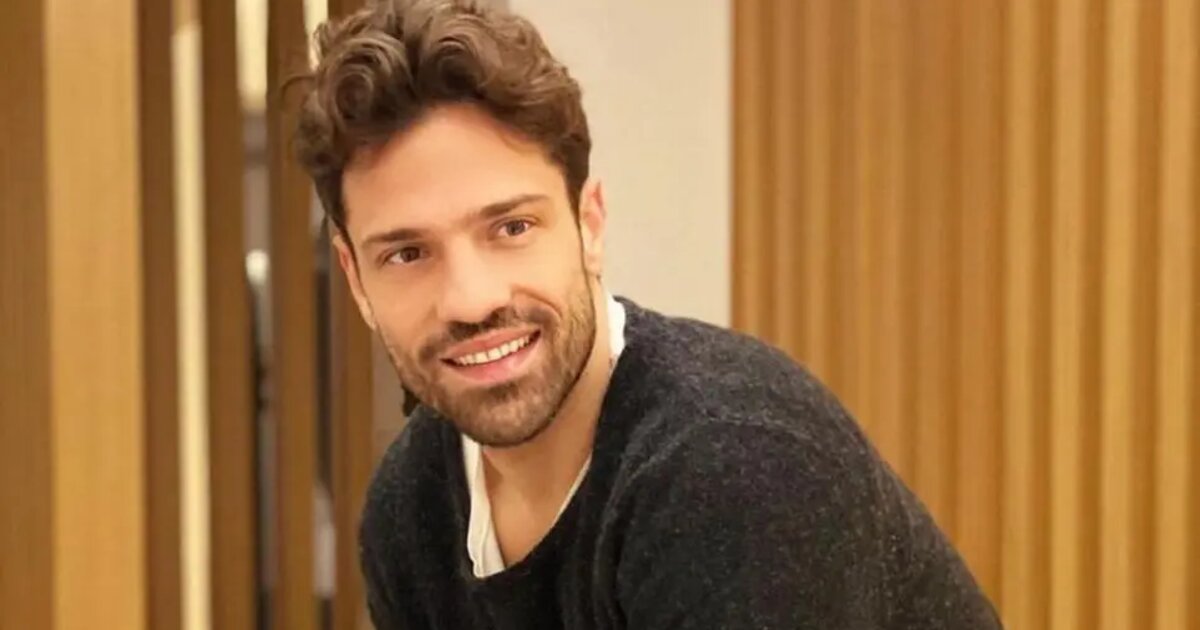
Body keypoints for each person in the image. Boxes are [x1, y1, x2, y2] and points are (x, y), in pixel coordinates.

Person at [294, 1, 1002, 628]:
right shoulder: (411, 512)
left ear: (589, 224)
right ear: (356, 278)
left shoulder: (729, 467)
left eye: (511, 228)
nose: (471, 299)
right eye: (408, 254)